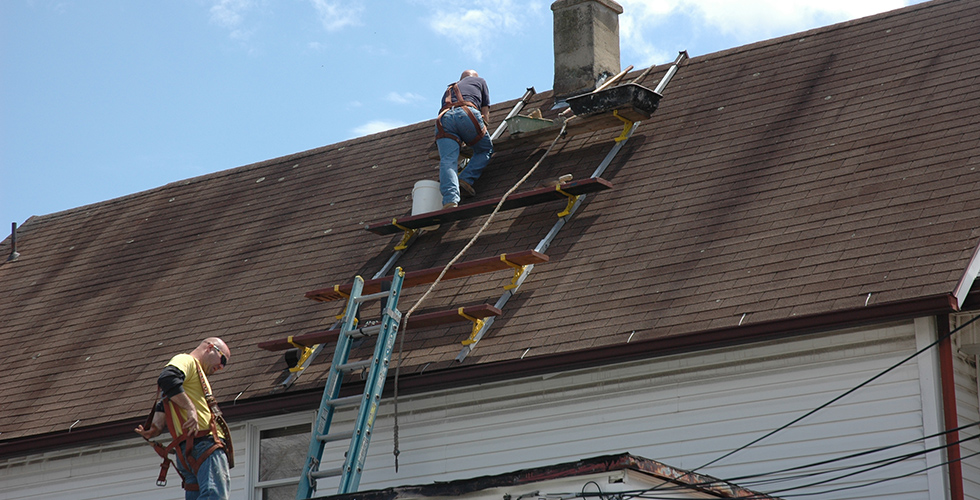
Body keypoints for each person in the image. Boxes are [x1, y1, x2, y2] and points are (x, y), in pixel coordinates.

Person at [135, 337, 233, 500]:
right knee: (215, 495)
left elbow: (166, 396)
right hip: (204, 444)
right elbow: (167, 379)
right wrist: (190, 408)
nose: (221, 367)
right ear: (210, 348)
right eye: (222, 359)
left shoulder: (195, 375)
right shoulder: (186, 360)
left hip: (188, 450)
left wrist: (157, 425)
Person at [435, 69, 493, 208]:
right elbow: (484, 111)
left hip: (444, 119)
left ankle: (450, 200)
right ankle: (465, 179)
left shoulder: (449, 89)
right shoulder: (480, 81)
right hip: (467, 113)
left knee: (448, 160)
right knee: (485, 149)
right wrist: (483, 128)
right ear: (474, 77)